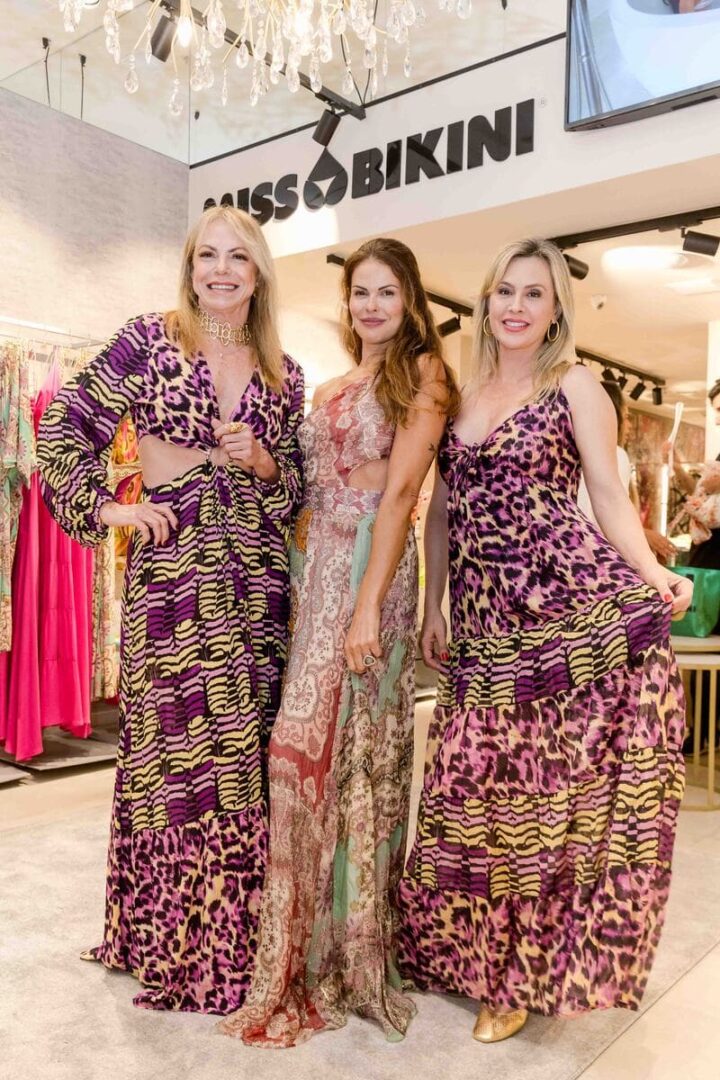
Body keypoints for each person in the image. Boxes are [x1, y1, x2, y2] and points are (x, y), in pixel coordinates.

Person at [396, 237, 692, 1043]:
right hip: (484, 622)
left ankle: (516, 979)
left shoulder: (576, 386)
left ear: (557, 306)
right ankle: (463, 953)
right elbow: (441, 509)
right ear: (486, 301)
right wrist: (434, 603)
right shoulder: (459, 395)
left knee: (537, 803)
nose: (517, 306)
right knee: (471, 787)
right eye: (505, 291)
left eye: (534, 293)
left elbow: (608, 497)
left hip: (563, 610)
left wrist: (652, 574)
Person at [37, 206, 304, 1013]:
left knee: (243, 760)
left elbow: (297, 491)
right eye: (207, 256)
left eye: (238, 258)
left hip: (256, 588)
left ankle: (236, 944)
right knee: (177, 762)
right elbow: (62, 430)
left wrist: (263, 462)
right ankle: (172, 944)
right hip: (175, 585)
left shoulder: (284, 372)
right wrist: (113, 509)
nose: (221, 270)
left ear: (258, 275)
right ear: (190, 267)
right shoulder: (147, 340)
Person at [219, 238, 459, 1047]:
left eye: (387, 292)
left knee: (345, 755)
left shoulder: (424, 375)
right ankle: (304, 940)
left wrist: (367, 608)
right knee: (300, 752)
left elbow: (401, 496)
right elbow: (300, 489)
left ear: (410, 299)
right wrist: (259, 460)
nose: (371, 305)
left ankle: (351, 948)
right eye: (361, 292)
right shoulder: (330, 387)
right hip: (312, 569)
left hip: (367, 572)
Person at [578, 378, 677, 562]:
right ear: (612, 416)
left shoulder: (570, 453)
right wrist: (643, 542)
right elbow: (611, 514)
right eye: (626, 416)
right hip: (600, 557)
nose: (629, 425)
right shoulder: (614, 454)